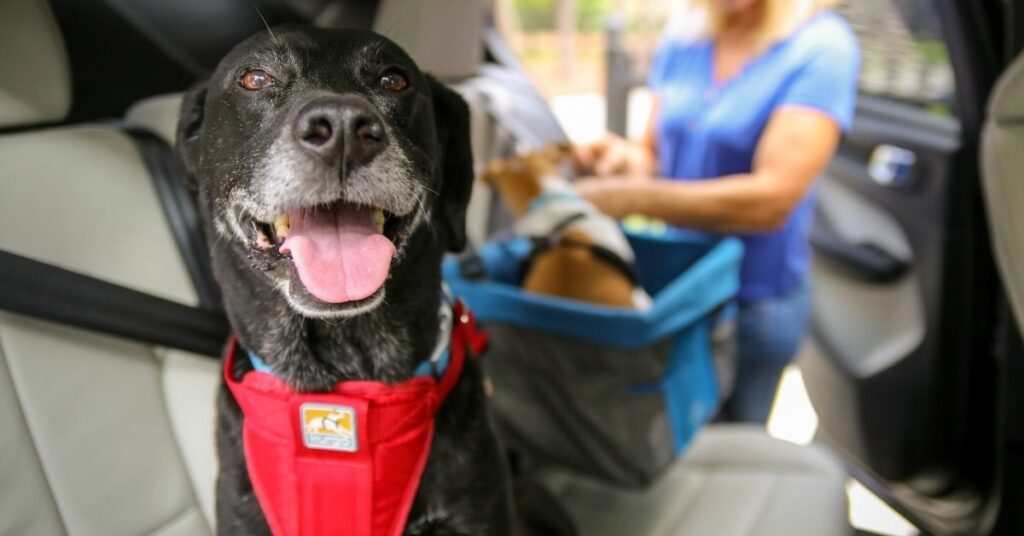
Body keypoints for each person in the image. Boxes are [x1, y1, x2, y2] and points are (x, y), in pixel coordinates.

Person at [574, 0, 860, 423]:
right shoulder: (687, 36)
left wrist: (630, 198)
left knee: (735, 440)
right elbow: (653, 153)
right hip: (681, 287)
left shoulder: (820, 47)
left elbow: (772, 200)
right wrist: (622, 161)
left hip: (753, 302)